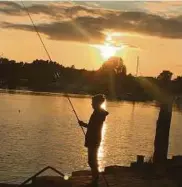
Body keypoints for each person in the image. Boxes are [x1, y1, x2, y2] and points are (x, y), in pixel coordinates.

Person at [79, 94, 109, 186]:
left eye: (93, 103)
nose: (91, 104)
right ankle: (95, 178)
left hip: (94, 139)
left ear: (97, 103)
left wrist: (83, 124)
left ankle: (95, 179)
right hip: (94, 138)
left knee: (92, 160)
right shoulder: (98, 113)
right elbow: (93, 126)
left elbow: (93, 127)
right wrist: (83, 124)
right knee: (92, 159)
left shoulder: (98, 113)